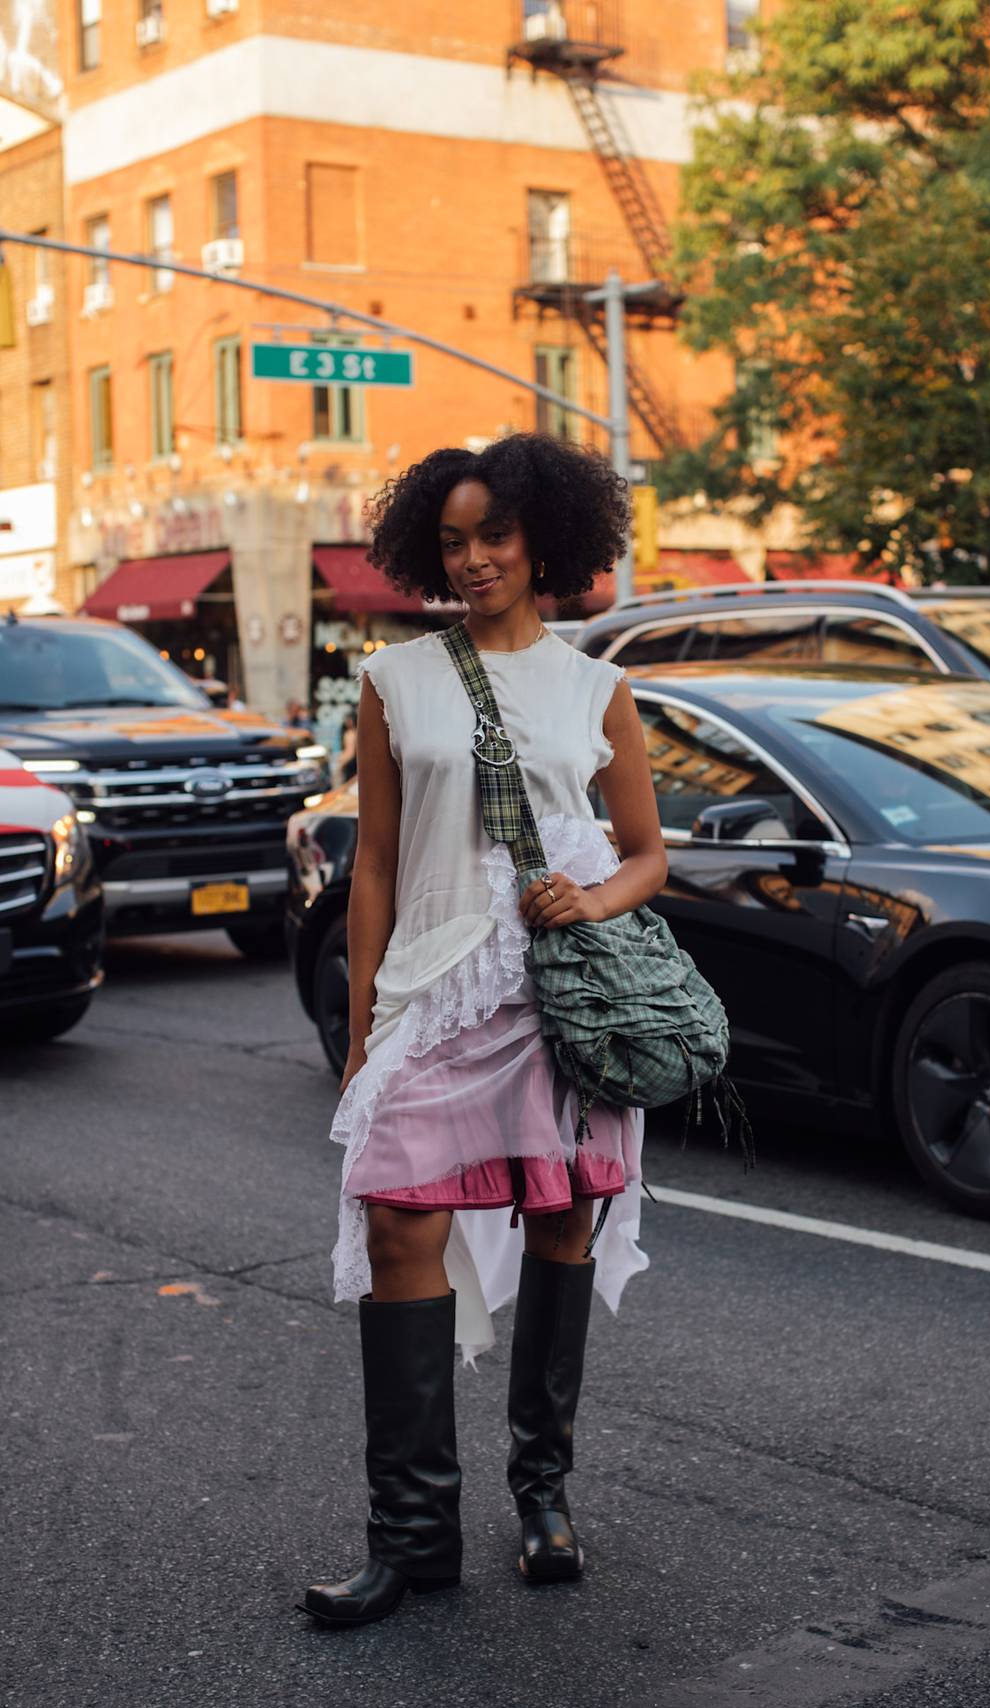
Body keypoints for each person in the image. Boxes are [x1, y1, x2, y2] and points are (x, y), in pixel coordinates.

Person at [302, 433, 666, 1628]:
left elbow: (649, 857)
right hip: (436, 986)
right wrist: (363, 1033)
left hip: (559, 999)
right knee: (399, 1215)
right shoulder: (394, 679)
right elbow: (374, 870)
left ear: (544, 540)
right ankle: (412, 1540)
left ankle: (543, 1498)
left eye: (493, 537)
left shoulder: (595, 687)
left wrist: (594, 894)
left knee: (563, 1220)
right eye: (451, 542)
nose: (472, 560)